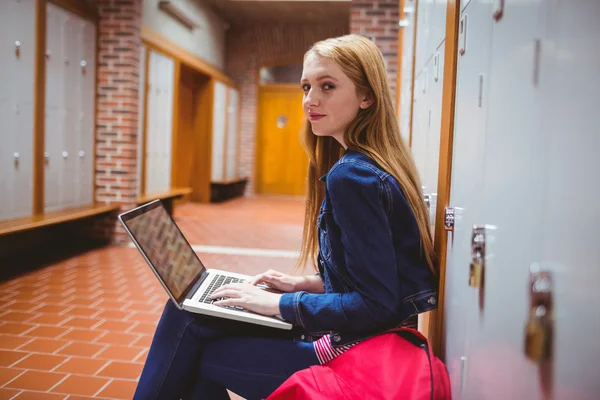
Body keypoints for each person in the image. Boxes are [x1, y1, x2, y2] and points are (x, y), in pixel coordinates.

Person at [133, 34, 438, 400]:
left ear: (366, 97)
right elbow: (375, 281)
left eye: (327, 86)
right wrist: (302, 284)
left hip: (352, 354)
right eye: (306, 87)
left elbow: (376, 304)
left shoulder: (352, 176)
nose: (311, 100)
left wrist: (277, 305)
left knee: (193, 338)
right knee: (190, 313)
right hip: (361, 340)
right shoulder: (374, 165)